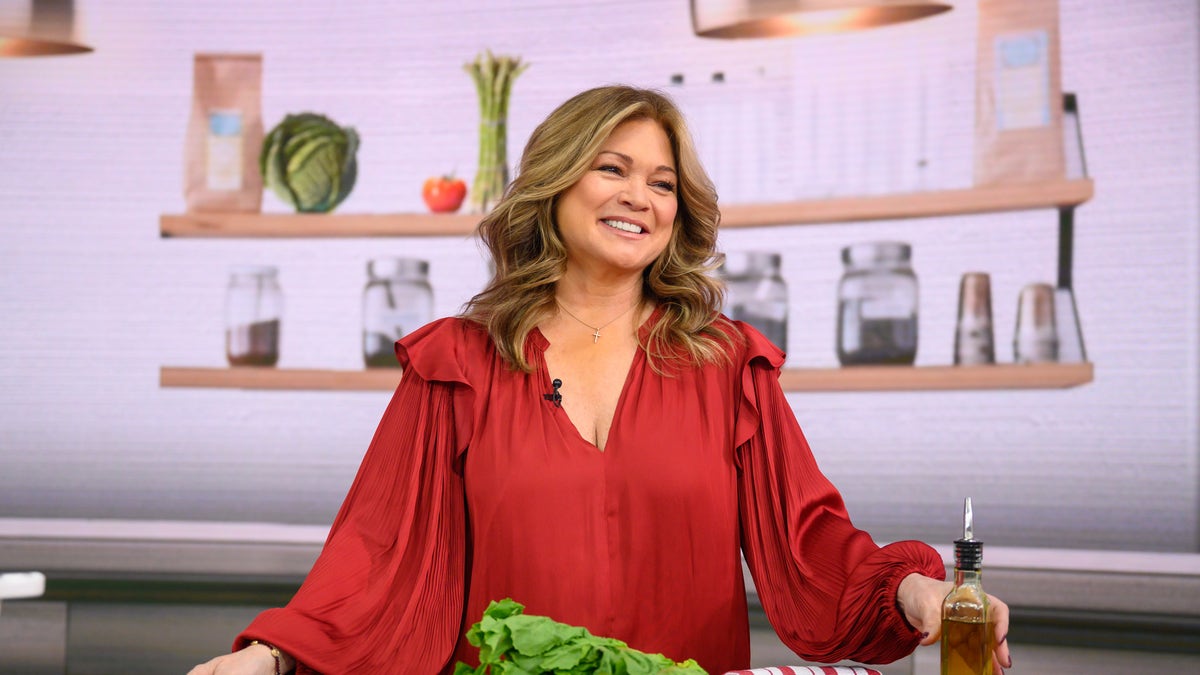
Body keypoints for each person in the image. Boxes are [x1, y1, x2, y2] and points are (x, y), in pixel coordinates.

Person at [188, 85, 1013, 675]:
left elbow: (808, 543)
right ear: (555, 182)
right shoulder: (458, 363)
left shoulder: (727, 364)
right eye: (613, 169)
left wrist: (912, 591)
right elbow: (376, 553)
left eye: (662, 183)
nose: (639, 198)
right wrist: (270, 656)